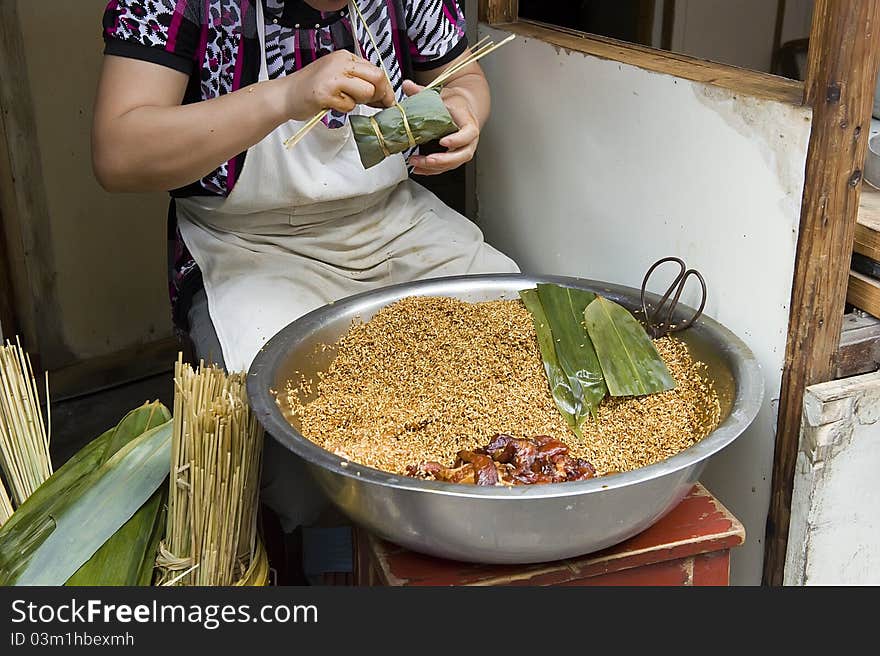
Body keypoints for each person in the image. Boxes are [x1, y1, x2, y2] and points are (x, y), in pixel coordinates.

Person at [93, 0, 518, 578]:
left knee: (513, 334)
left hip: (392, 220)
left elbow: (463, 72)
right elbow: (119, 152)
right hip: (247, 242)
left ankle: (481, 526)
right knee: (286, 410)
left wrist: (463, 108)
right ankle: (328, 564)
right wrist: (284, 97)